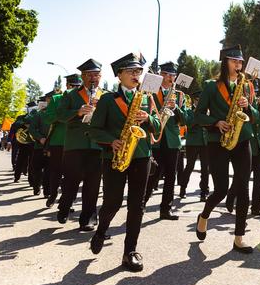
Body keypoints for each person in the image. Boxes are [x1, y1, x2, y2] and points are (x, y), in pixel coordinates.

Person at [89, 52, 160, 272]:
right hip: (115, 157)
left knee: (137, 206)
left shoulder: (147, 98)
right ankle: (101, 230)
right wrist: (112, 141)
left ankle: (130, 251)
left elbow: (158, 126)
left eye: (138, 71)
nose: (136, 75)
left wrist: (148, 118)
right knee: (112, 202)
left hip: (141, 156)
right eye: (130, 71)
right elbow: (94, 130)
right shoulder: (108, 100)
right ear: (119, 75)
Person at [194, 45, 259, 254]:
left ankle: (239, 237)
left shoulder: (247, 86)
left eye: (240, 62)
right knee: (221, 189)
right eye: (234, 61)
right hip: (218, 142)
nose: (238, 66)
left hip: (242, 140)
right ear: (225, 63)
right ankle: (204, 216)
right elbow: (198, 115)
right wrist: (216, 122)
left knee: (243, 188)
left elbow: (257, 115)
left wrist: (248, 106)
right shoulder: (212, 86)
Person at [55, 59, 104, 230]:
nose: (93, 78)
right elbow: (59, 115)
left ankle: (88, 218)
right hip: (75, 145)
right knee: (71, 181)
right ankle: (64, 207)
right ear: (82, 76)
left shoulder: (106, 95)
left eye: (96, 75)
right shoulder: (71, 95)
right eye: (89, 75)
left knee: (93, 184)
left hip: (98, 145)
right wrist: (77, 112)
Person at [143, 61, 186, 220]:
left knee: (170, 176)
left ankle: (165, 209)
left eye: (172, 75)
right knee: (152, 174)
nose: (168, 77)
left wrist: (176, 108)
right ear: (160, 75)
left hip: (172, 141)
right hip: (155, 139)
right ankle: (141, 204)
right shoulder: (150, 92)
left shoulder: (180, 95)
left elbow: (186, 118)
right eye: (165, 74)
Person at [226, 95, 260, 217]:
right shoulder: (246, 104)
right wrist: (257, 106)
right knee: (240, 177)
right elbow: (254, 118)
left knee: (259, 180)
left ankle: (256, 208)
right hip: (249, 146)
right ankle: (230, 198)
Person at [45, 73, 82, 208]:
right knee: (56, 171)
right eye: (72, 86)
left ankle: (68, 201)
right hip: (59, 141)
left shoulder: (83, 98)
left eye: (78, 86)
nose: (74, 88)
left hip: (76, 141)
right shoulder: (56, 99)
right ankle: (53, 194)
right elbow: (48, 118)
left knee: (72, 174)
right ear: (67, 85)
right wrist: (65, 116)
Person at [179, 90, 210, 201]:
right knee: (189, 167)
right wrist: (198, 114)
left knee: (205, 168)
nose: (200, 103)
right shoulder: (188, 111)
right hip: (193, 142)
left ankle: (204, 192)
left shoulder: (207, 111)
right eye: (198, 101)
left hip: (205, 142)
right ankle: (183, 188)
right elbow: (189, 124)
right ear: (194, 101)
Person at [28, 94, 54, 197]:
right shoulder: (40, 114)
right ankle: (36, 187)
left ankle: (47, 192)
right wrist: (40, 138)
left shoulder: (58, 114)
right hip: (40, 146)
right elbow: (32, 129)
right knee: (37, 169)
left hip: (53, 147)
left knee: (49, 170)